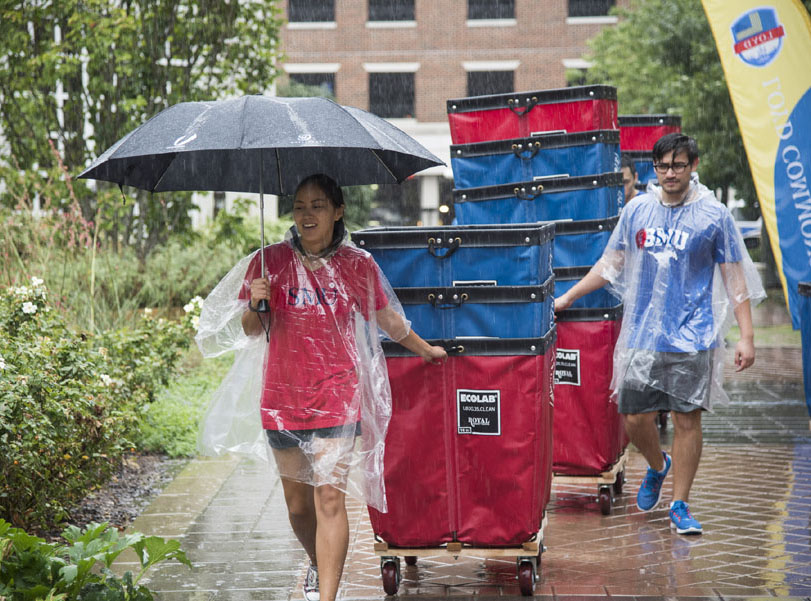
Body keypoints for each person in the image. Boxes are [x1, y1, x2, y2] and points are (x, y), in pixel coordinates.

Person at [236, 173, 447, 601]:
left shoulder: (357, 265)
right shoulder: (268, 261)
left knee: (329, 498)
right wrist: (258, 300)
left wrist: (425, 349)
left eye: (317, 205)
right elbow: (250, 329)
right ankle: (317, 561)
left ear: (338, 211)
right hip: (282, 398)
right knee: (298, 505)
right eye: (299, 206)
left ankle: (328, 595)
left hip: (337, 395)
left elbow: (388, 320)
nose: (307, 214)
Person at [555, 133, 764, 535]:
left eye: (678, 165)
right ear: (654, 168)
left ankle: (680, 504)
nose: (670, 173)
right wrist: (568, 296)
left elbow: (734, 276)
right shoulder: (637, 210)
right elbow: (611, 263)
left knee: (688, 420)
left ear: (693, 165)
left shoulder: (713, 215)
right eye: (663, 166)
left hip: (694, 335)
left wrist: (747, 335)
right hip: (643, 333)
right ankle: (657, 465)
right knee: (634, 418)